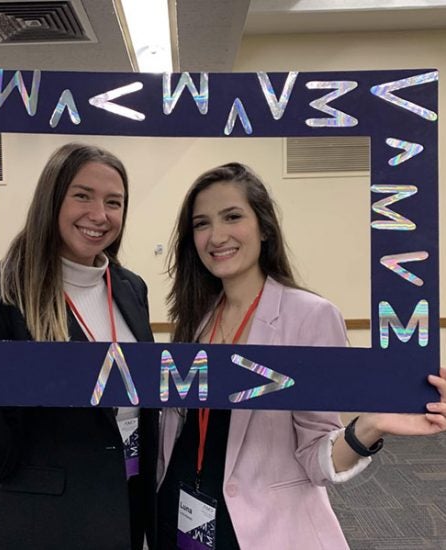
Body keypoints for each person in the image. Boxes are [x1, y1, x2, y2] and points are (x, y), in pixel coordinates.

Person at [156, 162, 446, 550]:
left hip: (258, 529)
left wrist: (370, 427)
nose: (216, 235)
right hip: (181, 514)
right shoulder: (196, 316)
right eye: (201, 223)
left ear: (264, 228)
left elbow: (316, 455)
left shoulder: (309, 316)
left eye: (232, 217)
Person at [0, 143, 158, 550]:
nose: (100, 215)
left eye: (115, 202)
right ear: (51, 200)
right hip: (45, 522)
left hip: (128, 505)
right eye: (82, 195)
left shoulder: (131, 288)